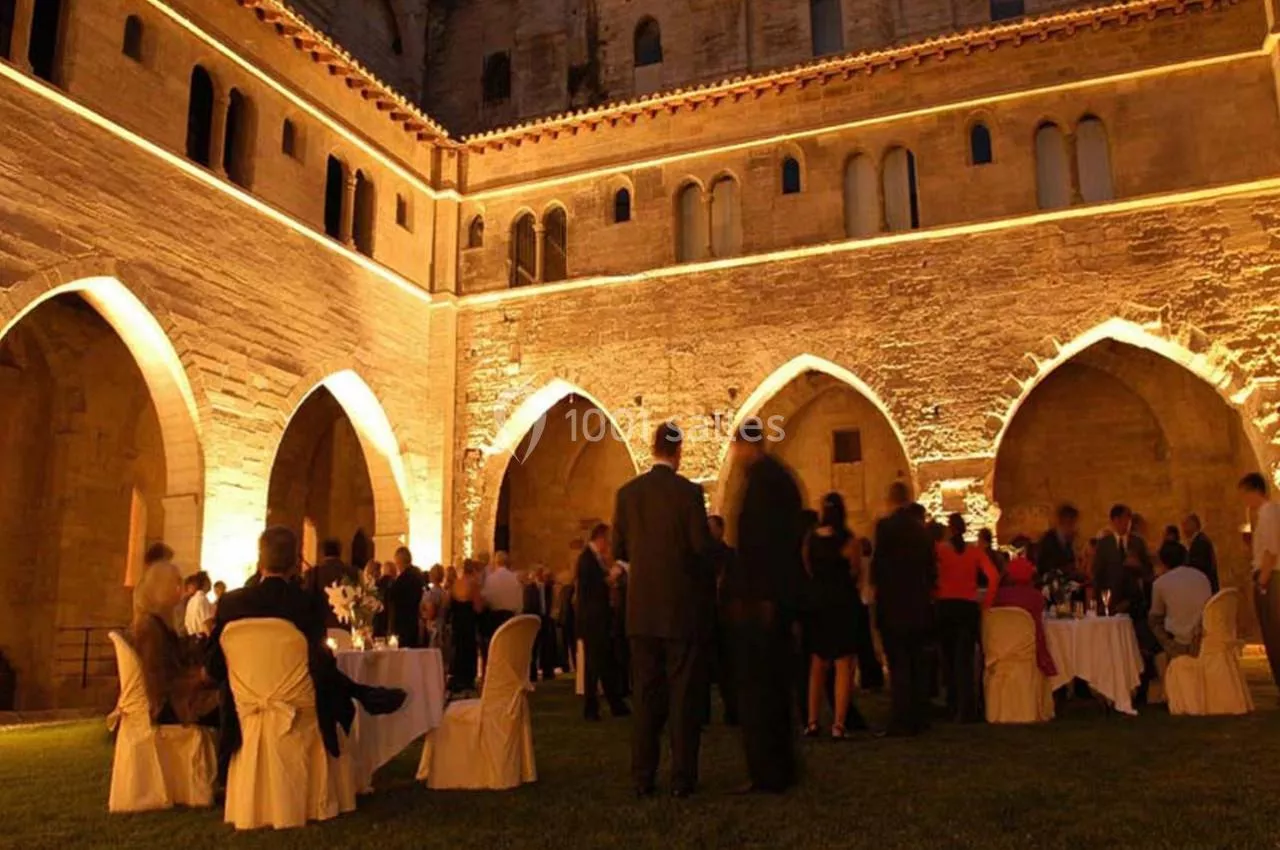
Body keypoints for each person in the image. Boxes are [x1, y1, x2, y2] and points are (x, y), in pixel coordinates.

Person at [206, 527, 406, 781]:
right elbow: (321, 666)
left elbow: (214, 665)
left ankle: (362, 693)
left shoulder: (231, 604)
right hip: (298, 709)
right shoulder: (304, 604)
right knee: (327, 680)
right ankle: (362, 694)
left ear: (260, 560)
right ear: (294, 563)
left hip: (243, 711)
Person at [612, 422, 713, 798]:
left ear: (653, 448)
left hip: (641, 612)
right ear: (678, 451)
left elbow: (619, 551)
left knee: (645, 695)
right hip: (680, 611)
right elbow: (701, 548)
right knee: (683, 697)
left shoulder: (628, 494)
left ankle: (643, 776)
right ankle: (682, 778)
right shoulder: (689, 493)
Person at [724, 420, 805, 792]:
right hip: (776, 599)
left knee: (759, 691)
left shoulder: (762, 483)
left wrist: (755, 597)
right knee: (775, 689)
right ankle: (780, 768)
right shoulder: (780, 478)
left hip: (762, 603)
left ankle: (767, 771)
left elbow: (762, 547)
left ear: (747, 446)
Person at [870, 481, 937, 737]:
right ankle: (919, 716)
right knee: (917, 662)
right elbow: (931, 570)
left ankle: (901, 717)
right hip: (918, 604)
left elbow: (879, 566)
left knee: (899, 664)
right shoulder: (922, 531)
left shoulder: (885, 527)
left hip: (894, 604)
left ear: (891, 499)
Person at [803, 493, 869, 739]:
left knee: (817, 663)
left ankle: (812, 721)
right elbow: (855, 570)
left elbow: (808, 567)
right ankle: (839, 724)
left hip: (818, 603)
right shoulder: (849, 541)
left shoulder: (811, 539)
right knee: (843, 663)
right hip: (842, 603)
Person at [131, 561, 219, 725]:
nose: (181, 589)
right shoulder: (150, 628)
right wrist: (199, 678)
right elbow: (160, 682)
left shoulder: (157, 623)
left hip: (177, 699)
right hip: (172, 707)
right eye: (177, 583)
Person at [935, 513, 999, 723]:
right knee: (965, 660)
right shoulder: (975, 552)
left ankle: (953, 704)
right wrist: (986, 602)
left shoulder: (940, 551)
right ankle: (967, 707)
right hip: (968, 608)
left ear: (950, 529)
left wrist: (935, 593)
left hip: (946, 607)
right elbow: (993, 576)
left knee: (949, 660)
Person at [577, 523, 630, 720]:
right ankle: (594, 707)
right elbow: (595, 586)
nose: (608, 545)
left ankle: (614, 704)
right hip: (593, 620)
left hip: (599, 619)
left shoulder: (594, 558)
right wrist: (613, 575)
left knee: (604, 662)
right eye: (607, 540)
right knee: (595, 664)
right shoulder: (587, 559)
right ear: (600, 538)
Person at [1240, 472, 1280, 691]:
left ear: (1254, 491)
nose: (1244, 501)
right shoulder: (1267, 514)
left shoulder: (1269, 513)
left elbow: (1272, 550)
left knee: (1274, 634)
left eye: (1245, 494)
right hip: (1269, 576)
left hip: (1271, 578)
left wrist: (1262, 582)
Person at [992, 556, 1057, 678]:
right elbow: (1038, 628)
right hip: (1025, 651)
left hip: (1000, 650)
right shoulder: (1035, 597)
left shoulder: (997, 596)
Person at [1149, 540, 1212, 659]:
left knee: (1153, 621)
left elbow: (1156, 615)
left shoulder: (1160, 583)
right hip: (1203, 639)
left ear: (1162, 562)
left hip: (1178, 644)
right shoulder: (1202, 577)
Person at [708, 514, 739, 725]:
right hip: (708, 613)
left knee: (727, 664)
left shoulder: (730, 556)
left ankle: (732, 708)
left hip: (725, 614)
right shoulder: (704, 555)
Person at [1092, 504, 1151, 615]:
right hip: (1111, 601)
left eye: (1129, 518)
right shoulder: (1104, 544)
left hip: (1134, 602)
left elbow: (1149, 571)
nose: (1128, 522)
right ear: (1116, 520)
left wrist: (1138, 565)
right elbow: (1098, 573)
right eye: (1126, 517)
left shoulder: (1137, 542)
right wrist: (1099, 601)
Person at [479, 551, 524, 672]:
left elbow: (486, 598)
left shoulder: (490, 579)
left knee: (494, 648)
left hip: (494, 618)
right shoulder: (514, 579)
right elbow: (519, 603)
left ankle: (493, 671)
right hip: (510, 618)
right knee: (508, 649)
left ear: (495, 562)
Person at [306, 538, 359, 629]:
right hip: (346, 623)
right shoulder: (352, 572)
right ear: (339, 552)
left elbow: (309, 599)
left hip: (321, 624)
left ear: (323, 553)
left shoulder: (314, 572)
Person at [447, 562, 483, 694]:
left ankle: (457, 678)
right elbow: (478, 608)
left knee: (458, 649)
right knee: (468, 649)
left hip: (457, 623)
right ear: (472, 570)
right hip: (468, 623)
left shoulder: (455, 584)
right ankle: (467, 680)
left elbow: (448, 604)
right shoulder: (474, 585)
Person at [388, 547, 427, 648]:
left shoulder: (403, 579)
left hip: (403, 624)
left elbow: (391, 597)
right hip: (415, 621)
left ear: (400, 561)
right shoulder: (418, 575)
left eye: (397, 563)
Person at [523, 567, 557, 682]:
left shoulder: (548, 588)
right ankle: (532, 673)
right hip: (534, 618)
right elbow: (528, 605)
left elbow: (550, 602)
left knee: (547, 645)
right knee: (534, 646)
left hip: (545, 618)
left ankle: (548, 671)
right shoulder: (529, 588)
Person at [1036, 504, 1081, 580]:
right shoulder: (1048, 541)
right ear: (1065, 522)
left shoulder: (1067, 543)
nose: (1075, 529)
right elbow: (1045, 569)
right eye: (1073, 523)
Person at [1182, 513, 1220, 594]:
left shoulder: (1200, 542)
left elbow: (1199, 566)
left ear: (1193, 524)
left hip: (1204, 587)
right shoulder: (1199, 540)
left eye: (1185, 524)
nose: (1183, 528)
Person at [183, 571, 215, 638]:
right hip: (203, 638)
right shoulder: (202, 599)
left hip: (193, 638)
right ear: (205, 583)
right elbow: (206, 623)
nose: (211, 584)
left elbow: (187, 624)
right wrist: (211, 639)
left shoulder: (191, 601)